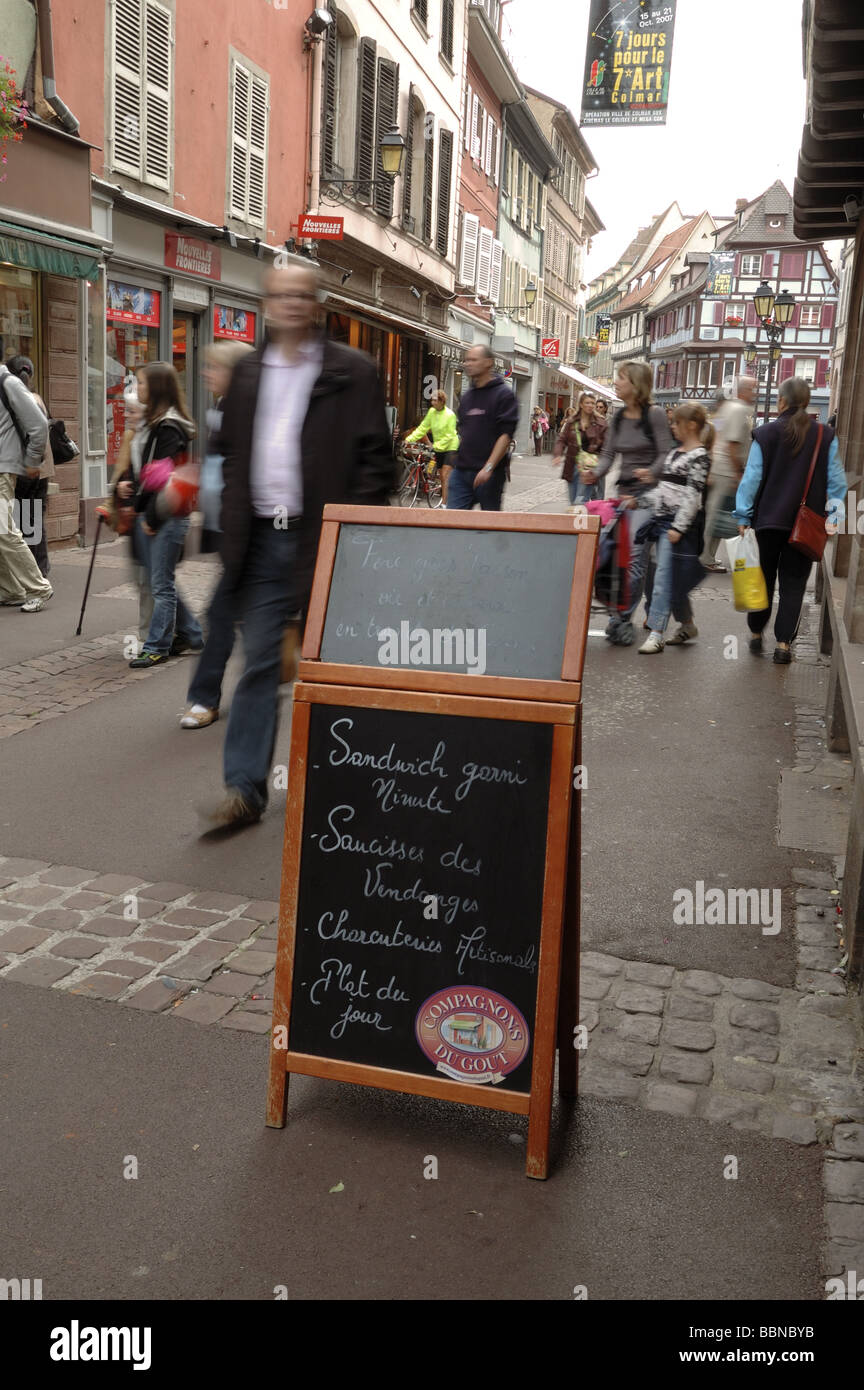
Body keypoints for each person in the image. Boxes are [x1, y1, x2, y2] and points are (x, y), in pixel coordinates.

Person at [200, 261, 395, 829]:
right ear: (266, 303)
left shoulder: (351, 372)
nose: (289, 304)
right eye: (279, 295)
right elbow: (231, 453)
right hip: (262, 541)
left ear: (316, 304)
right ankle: (243, 791)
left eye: (300, 295)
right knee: (260, 662)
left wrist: (350, 524)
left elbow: (376, 462)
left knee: (333, 667)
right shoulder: (249, 374)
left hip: (326, 541)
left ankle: (349, 789)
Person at [735, 376, 846, 664]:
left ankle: (757, 632)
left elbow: (752, 478)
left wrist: (743, 514)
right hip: (805, 524)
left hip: (768, 521)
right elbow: (836, 482)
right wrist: (835, 517)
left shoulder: (766, 433)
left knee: (763, 578)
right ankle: (784, 644)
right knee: (794, 584)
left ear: (780, 401)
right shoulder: (824, 436)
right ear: (807, 402)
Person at [180, 341, 255, 730]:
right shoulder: (223, 409)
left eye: (214, 367)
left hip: (254, 535)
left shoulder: (250, 414)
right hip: (229, 532)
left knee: (224, 616)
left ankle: (206, 700)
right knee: (231, 618)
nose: (207, 374)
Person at [582, 362, 674, 644]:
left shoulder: (654, 415)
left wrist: (651, 471)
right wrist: (595, 472)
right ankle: (625, 612)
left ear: (636, 384)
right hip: (622, 498)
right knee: (621, 559)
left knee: (634, 561)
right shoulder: (620, 416)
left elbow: (665, 453)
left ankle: (621, 617)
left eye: (621, 378)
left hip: (648, 498)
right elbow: (610, 454)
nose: (616, 383)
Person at [120, 361, 203, 668]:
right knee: (161, 582)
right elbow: (145, 472)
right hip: (154, 515)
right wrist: (127, 483)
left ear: (155, 389)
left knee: (161, 585)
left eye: (141, 383)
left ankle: (156, 646)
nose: (136, 389)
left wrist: (151, 519)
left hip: (167, 516)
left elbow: (164, 480)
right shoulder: (153, 424)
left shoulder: (169, 427)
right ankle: (192, 634)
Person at [638, 403, 712, 653]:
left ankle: (657, 632)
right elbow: (665, 488)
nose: (672, 426)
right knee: (673, 578)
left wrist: (679, 527)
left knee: (663, 578)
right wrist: (641, 501)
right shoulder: (674, 452)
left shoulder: (700, 457)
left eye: (676, 423)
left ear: (690, 425)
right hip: (663, 523)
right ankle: (688, 625)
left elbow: (693, 496)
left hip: (678, 527)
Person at [0, 358, 52, 611]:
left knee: (5, 531)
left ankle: (38, 587)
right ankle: (11, 590)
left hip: (3, 469)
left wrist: (32, 460)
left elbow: (39, 425)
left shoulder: (7, 381)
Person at [447, 345, 519, 512]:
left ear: (488, 363)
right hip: (462, 471)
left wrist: (488, 467)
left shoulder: (504, 395)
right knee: (451, 522)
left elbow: (505, 436)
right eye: (466, 360)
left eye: (473, 360)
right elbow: (464, 431)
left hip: (489, 474)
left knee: (489, 526)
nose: (467, 364)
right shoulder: (467, 397)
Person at [701, 375, 756, 573]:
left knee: (716, 514)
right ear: (743, 391)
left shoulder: (725, 409)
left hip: (718, 467)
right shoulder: (739, 409)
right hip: (726, 470)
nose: (755, 393)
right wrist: (738, 472)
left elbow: (716, 436)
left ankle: (708, 556)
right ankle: (705, 557)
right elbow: (733, 444)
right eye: (752, 389)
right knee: (716, 514)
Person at [403, 389, 459, 504]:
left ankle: (444, 503)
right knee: (439, 474)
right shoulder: (431, 412)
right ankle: (441, 492)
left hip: (450, 447)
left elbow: (449, 435)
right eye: (431, 400)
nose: (432, 403)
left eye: (435, 400)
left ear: (441, 401)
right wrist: (409, 439)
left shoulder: (450, 415)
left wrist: (435, 445)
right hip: (438, 447)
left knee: (444, 475)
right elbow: (422, 428)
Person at [557, 390, 607, 507]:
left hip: (588, 467)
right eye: (587, 403)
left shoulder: (600, 423)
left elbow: (606, 447)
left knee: (580, 501)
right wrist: (557, 453)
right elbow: (562, 439)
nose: (590, 406)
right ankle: (577, 522)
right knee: (573, 500)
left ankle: (580, 524)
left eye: (592, 403)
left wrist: (600, 464)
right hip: (572, 465)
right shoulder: (572, 421)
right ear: (581, 404)